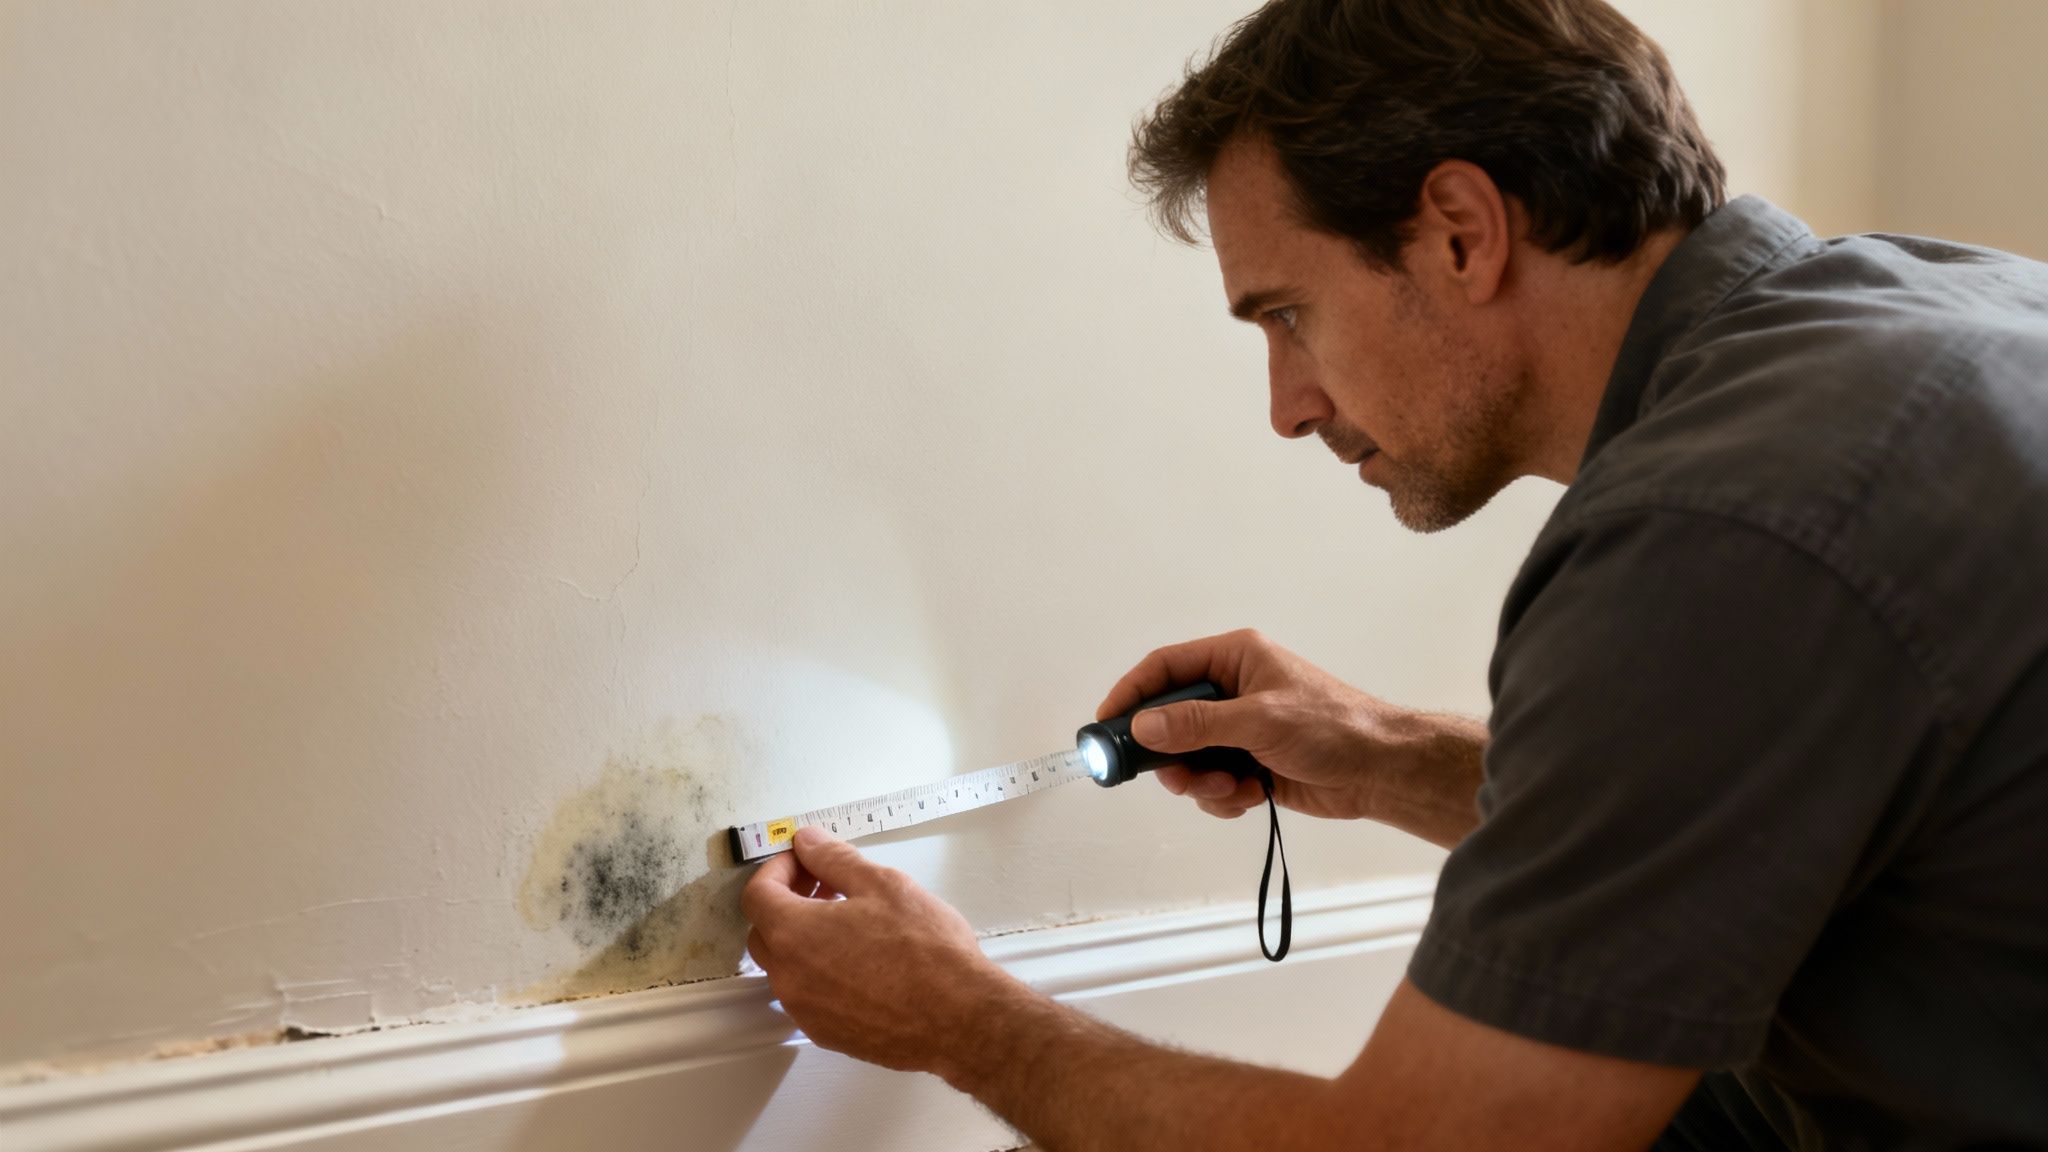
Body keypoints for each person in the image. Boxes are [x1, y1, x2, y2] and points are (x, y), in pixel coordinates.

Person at [741, 0, 2048, 1147]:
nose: (1287, 406)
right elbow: (1760, 810)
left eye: (1288, 315)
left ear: (1462, 235)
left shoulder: (1716, 532)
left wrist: (968, 1025)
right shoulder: (1938, 322)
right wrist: (1386, 754)